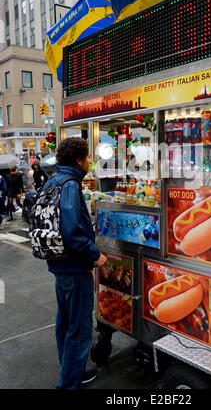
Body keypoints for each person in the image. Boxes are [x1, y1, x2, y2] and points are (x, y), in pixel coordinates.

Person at [41, 137, 107, 389]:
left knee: (65, 322)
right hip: (75, 265)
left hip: (60, 264)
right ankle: (69, 382)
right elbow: (71, 230)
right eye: (89, 156)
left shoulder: (55, 180)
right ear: (79, 159)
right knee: (79, 328)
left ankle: (72, 371)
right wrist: (94, 254)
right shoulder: (70, 185)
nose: (91, 160)